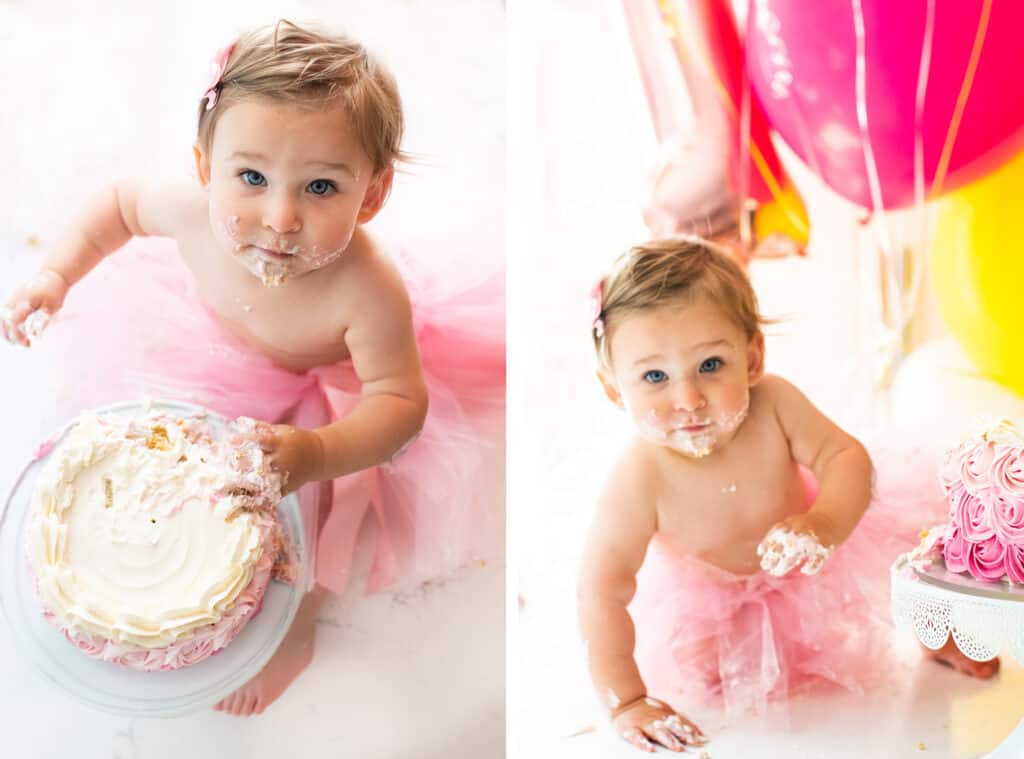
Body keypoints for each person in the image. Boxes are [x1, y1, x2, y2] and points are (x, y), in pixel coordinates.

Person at [2, 20, 503, 717]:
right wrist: (56, 275)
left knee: (326, 511)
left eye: (322, 187)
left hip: (317, 397)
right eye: (251, 177)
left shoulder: (367, 289)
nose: (279, 217)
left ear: (373, 196)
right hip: (207, 350)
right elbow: (117, 208)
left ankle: (297, 620)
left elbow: (400, 401)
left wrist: (317, 451)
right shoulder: (187, 209)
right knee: (148, 454)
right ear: (206, 168)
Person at [576, 236, 981, 753]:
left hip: (818, 546)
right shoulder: (638, 476)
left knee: (912, 543)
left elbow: (844, 458)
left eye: (710, 365)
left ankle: (936, 634)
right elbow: (601, 590)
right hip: (715, 598)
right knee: (723, 680)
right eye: (655, 376)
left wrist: (825, 523)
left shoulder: (775, 403)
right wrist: (626, 701)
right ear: (614, 390)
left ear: (751, 359)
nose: (688, 399)